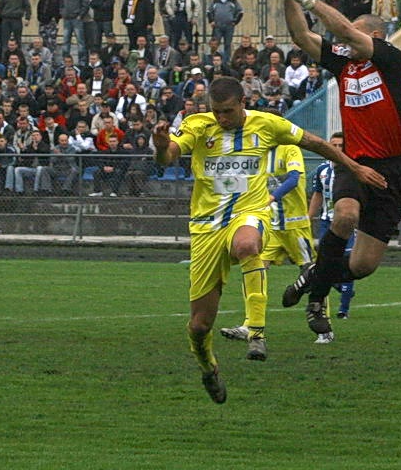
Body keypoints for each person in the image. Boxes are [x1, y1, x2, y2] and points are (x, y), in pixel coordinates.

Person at [151, 76, 386, 404]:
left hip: (250, 213)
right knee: (200, 325)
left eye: (228, 111)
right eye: (216, 111)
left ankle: (257, 333)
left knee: (249, 245)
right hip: (205, 227)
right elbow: (169, 156)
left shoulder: (268, 124)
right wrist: (162, 146)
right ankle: (208, 367)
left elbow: (316, 143)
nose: (221, 118)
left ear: (243, 103)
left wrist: (354, 167)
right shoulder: (197, 125)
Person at [273, 0, 401, 337]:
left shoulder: (391, 60)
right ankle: (317, 301)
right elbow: (302, 38)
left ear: (375, 39)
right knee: (345, 216)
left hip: (393, 167)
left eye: (355, 39)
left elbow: (347, 33)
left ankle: (314, 274)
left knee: (365, 265)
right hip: (354, 161)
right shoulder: (345, 64)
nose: (345, 46)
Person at [220, 141, 327, 353]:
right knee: (254, 268)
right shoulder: (256, 152)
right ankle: (250, 323)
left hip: (294, 224)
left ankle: (324, 326)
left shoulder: (290, 149)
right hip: (271, 224)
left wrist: (271, 197)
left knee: (311, 272)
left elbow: (294, 179)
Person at [308, 132, 357, 322]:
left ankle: (343, 309)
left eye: (341, 146)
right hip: (327, 222)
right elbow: (318, 195)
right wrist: (309, 217)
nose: (337, 149)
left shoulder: (353, 169)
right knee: (325, 260)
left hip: (348, 224)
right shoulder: (322, 169)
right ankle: (340, 286)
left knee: (349, 260)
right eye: (333, 146)